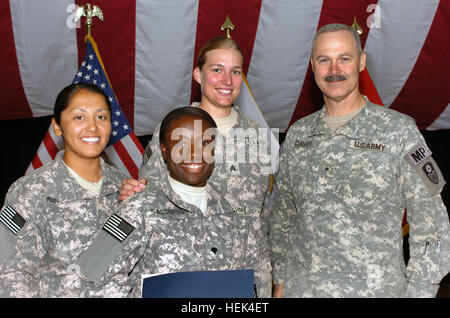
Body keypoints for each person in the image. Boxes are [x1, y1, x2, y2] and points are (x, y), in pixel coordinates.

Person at [270, 23, 450, 298]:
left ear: (361, 62)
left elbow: (433, 226)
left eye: (344, 58)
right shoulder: (298, 136)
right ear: (313, 66)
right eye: (324, 60)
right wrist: (280, 280)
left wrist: (421, 291)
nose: (334, 70)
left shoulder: (398, 132)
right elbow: (283, 215)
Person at [118, 37, 273, 297]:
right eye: (217, 70)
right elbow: (148, 198)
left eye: (235, 72)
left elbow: (264, 213)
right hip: (180, 277)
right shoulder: (171, 131)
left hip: (235, 280)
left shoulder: (257, 137)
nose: (227, 80)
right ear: (198, 74)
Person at [83, 107, 269, 297]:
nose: (194, 152)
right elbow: (90, 272)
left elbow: (258, 278)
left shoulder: (240, 212)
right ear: (164, 150)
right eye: (181, 143)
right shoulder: (136, 207)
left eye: (204, 142)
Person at [0, 83, 127, 297]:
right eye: (79, 117)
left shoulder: (125, 189)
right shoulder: (29, 191)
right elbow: (11, 274)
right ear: (57, 126)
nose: (92, 127)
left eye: (101, 117)